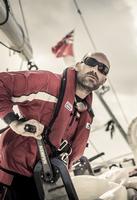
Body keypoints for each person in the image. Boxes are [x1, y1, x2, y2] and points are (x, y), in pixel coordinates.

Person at [0, 52, 110, 200]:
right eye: (91, 62)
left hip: (44, 185)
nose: (95, 70)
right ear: (77, 66)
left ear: (104, 80)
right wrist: (15, 123)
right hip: (10, 178)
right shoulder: (46, 82)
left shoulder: (86, 115)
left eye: (103, 69)